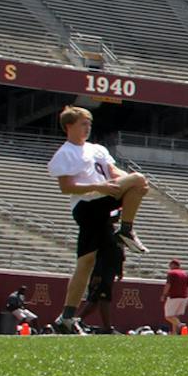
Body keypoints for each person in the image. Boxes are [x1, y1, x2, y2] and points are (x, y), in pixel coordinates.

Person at [46, 106, 151, 335]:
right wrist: (99, 186)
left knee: (85, 263)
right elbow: (66, 187)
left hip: (102, 204)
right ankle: (126, 229)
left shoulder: (97, 149)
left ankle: (66, 317)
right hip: (87, 204)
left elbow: (113, 172)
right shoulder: (66, 152)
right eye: (83, 123)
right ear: (69, 126)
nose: (88, 127)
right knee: (139, 179)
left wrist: (126, 183)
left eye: (89, 123)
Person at [160, 258, 188, 334]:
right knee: (175, 316)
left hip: (174, 297)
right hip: (184, 297)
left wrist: (164, 295)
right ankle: (174, 333)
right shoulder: (185, 273)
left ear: (173, 265)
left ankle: (181, 325)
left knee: (168, 316)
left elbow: (168, 285)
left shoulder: (171, 273)